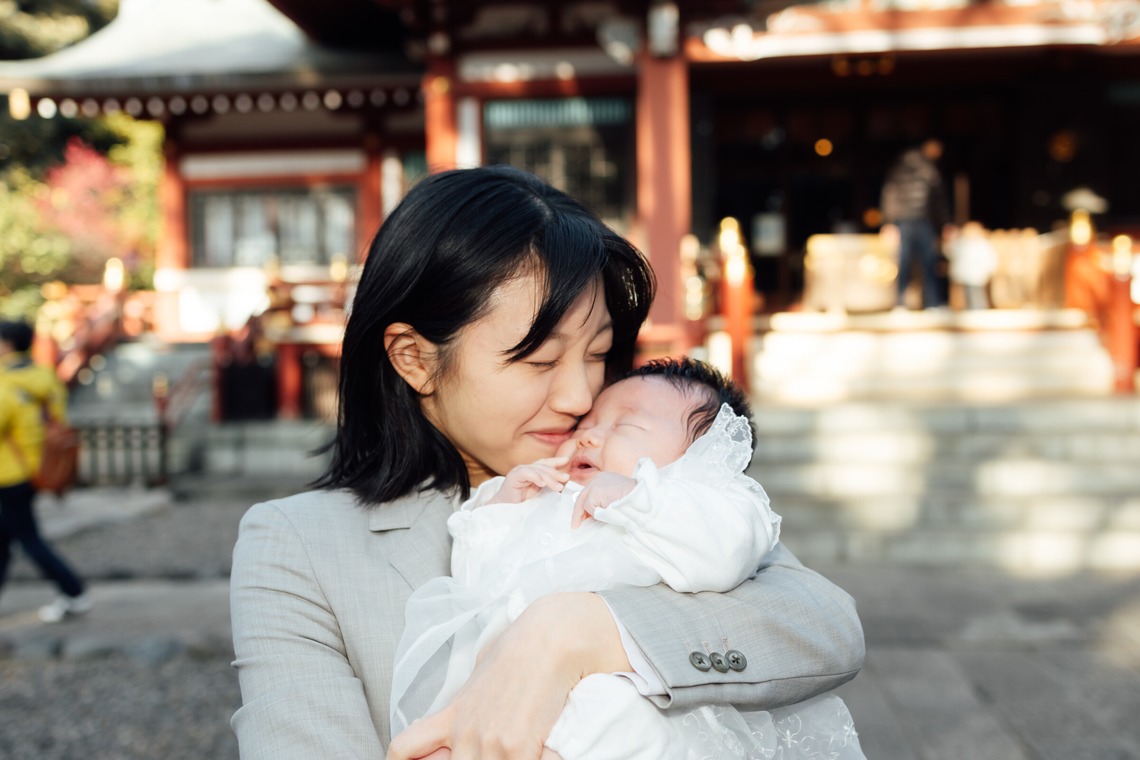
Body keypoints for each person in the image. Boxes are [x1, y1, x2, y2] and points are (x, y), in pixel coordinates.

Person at [229, 165, 865, 759]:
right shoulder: (298, 546)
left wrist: (573, 632)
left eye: (598, 353)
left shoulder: (639, 481)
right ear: (415, 358)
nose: (581, 396)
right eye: (539, 361)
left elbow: (821, 624)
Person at [390, 357, 864, 760]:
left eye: (625, 426)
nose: (588, 436)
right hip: (504, 689)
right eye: (588, 426)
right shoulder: (550, 500)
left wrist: (638, 500)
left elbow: (723, 553)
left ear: (698, 459)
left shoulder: (697, 503)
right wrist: (502, 512)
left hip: (635, 695)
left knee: (614, 707)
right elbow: (478, 584)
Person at [0, 319, 92, 623]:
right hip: (37, 467)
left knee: (28, 539)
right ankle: (73, 591)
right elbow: (58, 416)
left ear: (7, 344)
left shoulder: (5, 382)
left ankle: (74, 591)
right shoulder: (45, 377)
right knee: (6, 538)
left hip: (9, 472)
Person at [881, 138, 951, 311]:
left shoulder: (900, 168)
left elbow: (889, 193)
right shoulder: (929, 169)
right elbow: (938, 200)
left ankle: (901, 303)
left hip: (905, 221)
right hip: (921, 220)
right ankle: (932, 302)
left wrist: (889, 221)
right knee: (926, 262)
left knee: (905, 262)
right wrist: (946, 222)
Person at [946, 221, 999, 310]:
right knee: (967, 293)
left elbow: (990, 258)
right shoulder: (962, 244)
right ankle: (970, 308)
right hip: (966, 276)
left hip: (977, 276)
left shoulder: (982, 245)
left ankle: (979, 308)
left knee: (977, 293)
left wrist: (990, 269)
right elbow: (951, 252)